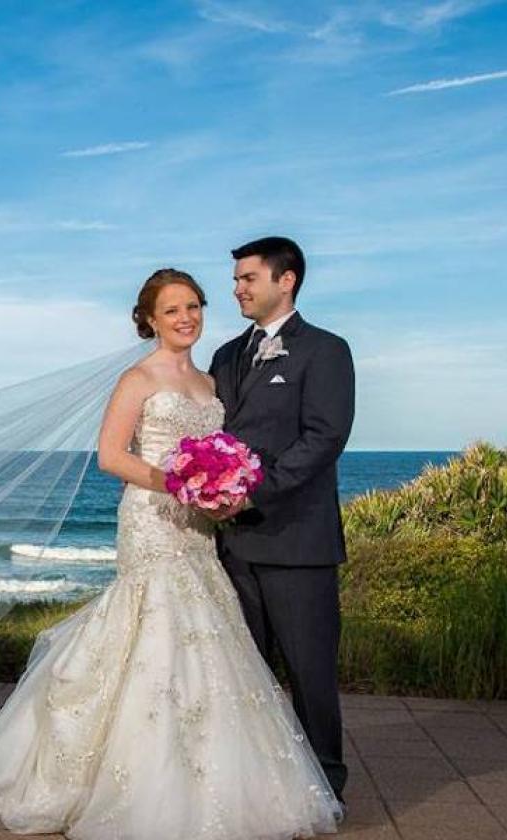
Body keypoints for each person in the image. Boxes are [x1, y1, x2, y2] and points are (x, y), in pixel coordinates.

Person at [0, 267, 342, 839]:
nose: (186, 318)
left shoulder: (213, 381)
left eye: (194, 306)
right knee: (152, 627)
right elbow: (110, 456)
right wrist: (179, 485)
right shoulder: (137, 379)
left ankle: (208, 778)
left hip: (199, 527)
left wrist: (218, 490)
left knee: (208, 637)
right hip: (152, 518)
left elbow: (226, 449)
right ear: (149, 319)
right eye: (172, 310)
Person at [208, 236, 356, 803]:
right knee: (242, 674)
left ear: (285, 279)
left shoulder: (325, 350)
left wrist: (252, 494)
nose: (238, 289)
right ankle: (254, 787)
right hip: (231, 547)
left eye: (248, 278)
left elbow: (324, 438)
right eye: (237, 280)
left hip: (298, 543)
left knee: (310, 674)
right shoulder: (225, 355)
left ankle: (325, 788)